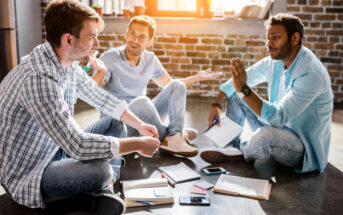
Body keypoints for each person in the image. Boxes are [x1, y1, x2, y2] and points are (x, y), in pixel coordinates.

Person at [0, 1, 161, 214]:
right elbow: (77, 145)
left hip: (54, 147)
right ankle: (103, 185)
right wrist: (137, 144)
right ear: (68, 39)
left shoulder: (62, 61)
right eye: (91, 37)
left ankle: (105, 190)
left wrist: (139, 125)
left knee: (115, 121)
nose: (96, 43)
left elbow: (102, 98)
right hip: (31, 173)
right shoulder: (39, 80)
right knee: (100, 169)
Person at [200, 13, 333, 173]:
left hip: (301, 148)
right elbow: (239, 81)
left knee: (265, 136)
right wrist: (216, 104)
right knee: (236, 93)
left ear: (294, 39)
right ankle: (232, 147)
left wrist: (244, 89)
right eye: (268, 38)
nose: (269, 43)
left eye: (276, 37)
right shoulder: (275, 62)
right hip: (278, 127)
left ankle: (242, 153)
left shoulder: (311, 73)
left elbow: (279, 117)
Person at [89, 15, 222, 157]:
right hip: (119, 123)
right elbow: (93, 89)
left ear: (149, 42)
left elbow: (169, 85)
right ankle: (173, 136)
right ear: (126, 33)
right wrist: (100, 72)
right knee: (142, 102)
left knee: (177, 86)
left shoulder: (150, 59)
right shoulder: (110, 57)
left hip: (143, 123)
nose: (134, 40)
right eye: (132, 33)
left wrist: (196, 78)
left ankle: (174, 136)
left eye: (141, 37)